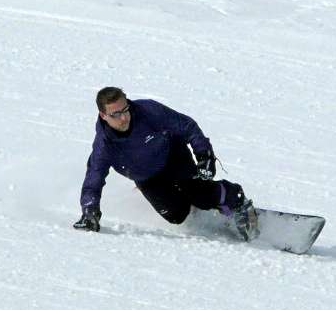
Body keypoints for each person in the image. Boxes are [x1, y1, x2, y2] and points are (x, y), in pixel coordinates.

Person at [74, 87, 258, 240]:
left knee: (199, 192)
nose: (123, 118)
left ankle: (236, 201)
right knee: (176, 216)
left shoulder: (147, 111)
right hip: (146, 178)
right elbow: (93, 179)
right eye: (115, 114)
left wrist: (204, 155)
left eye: (125, 110)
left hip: (172, 156)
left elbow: (187, 126)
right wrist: (90, 211)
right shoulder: (104, 146)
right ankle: (196, 205)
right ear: (103, 115)